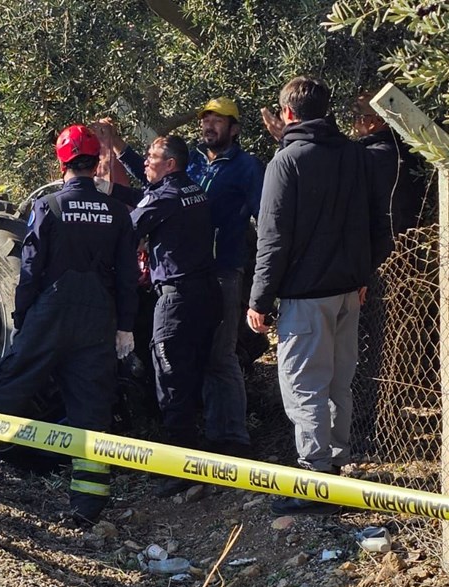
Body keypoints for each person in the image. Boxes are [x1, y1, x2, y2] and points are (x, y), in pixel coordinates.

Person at [0, 125, 138, 525]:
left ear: (62, 164)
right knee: (92, 407)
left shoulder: (49, 206)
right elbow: (128, 274)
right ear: (96, 162)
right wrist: (124, 326)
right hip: (99, 316)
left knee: (8, 386)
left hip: (51, 311)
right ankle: (87, 507)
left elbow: (30, 270)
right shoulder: (116, 212)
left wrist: (25, 317)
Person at [247, 77, 393, 516]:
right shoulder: (354, 154)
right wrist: (363, 272)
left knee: (304, 386)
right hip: (349, 291)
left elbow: (273, 237)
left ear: (288, 114)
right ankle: (336, 466)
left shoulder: (286, 162)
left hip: (306, 296)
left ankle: (315, 481)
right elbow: (377, 219)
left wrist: (259, 299)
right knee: (336, 383)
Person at [102, 99, 264, 459]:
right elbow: (155, 185)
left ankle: (232, 438)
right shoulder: (193, 165)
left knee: (220, 356)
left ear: (235, 128)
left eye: (218, 120)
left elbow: (265, 218)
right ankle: (208, 434)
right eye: (205, 119)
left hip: (223, 270)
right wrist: (118, 148)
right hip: (195, 275)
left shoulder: (247, 167)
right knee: (198, 357)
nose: (209, 125)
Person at [104, 135, 222, 498]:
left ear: (170, 164)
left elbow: (128, 230)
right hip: (206, 294)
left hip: (177, 299)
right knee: (194, 375)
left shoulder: (165, 197)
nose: (145, 162)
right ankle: (205, 450)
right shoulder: (192, 189)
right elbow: (146, 197)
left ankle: (181, 469)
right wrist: (108, 188)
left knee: (170, 380)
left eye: (152, 157)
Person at [353, 92, 425, 235]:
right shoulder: (410, 153)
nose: (354, 124)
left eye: (356, 117)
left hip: (379, 238)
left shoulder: (370, 157)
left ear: (373, 121)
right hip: (410, 237)